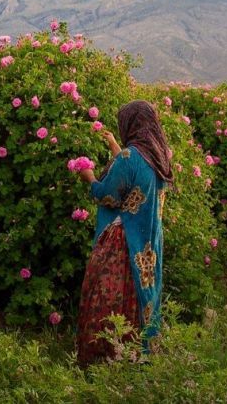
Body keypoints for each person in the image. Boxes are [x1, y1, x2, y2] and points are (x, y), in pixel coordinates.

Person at [75, 100, 172, 366]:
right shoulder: (160, 156)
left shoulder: (130, 158)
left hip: (123, 241)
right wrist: (117, 149)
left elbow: (108, 195)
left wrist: (91, 178)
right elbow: (135, 177)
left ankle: (106, 360)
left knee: (109, 299)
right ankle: (140, 356)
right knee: (144, 295)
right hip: (149, 241)